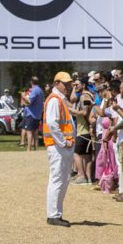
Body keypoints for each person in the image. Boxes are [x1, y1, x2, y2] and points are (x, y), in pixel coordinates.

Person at [43, 72, 76, 227]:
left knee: (62, 179)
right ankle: (53, 215)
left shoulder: (59, 100)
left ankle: (56, 213)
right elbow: (52, 123)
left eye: (69, 84)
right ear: (56, 83)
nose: (68, 86)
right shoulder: (55, 100)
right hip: (58, 146)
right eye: (65, 84)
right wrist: (63, 142)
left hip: (60, 146)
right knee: (58, 179)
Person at [69, 80, 95, 185]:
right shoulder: (87, 95)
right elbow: (72, 99)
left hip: (83, 130)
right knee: (86, 155)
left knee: (76, 153)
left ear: (83, 85)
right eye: (74, 85)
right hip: (86, 129)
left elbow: (84, 112)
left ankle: (81, 175)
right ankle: (88, 177)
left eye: (77, 84)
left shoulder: (84, 96)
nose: (75, 86)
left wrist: (73, 111)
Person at [21, 77, 44, 151]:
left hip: (31, 114)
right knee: (35, 132)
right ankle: (36, 148)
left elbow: (29, 102)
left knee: (29, 131)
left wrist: (23, 97)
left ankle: (28, 149)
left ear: (31, 82)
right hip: (37, 114)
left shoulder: (34, 90)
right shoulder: (40, 90)